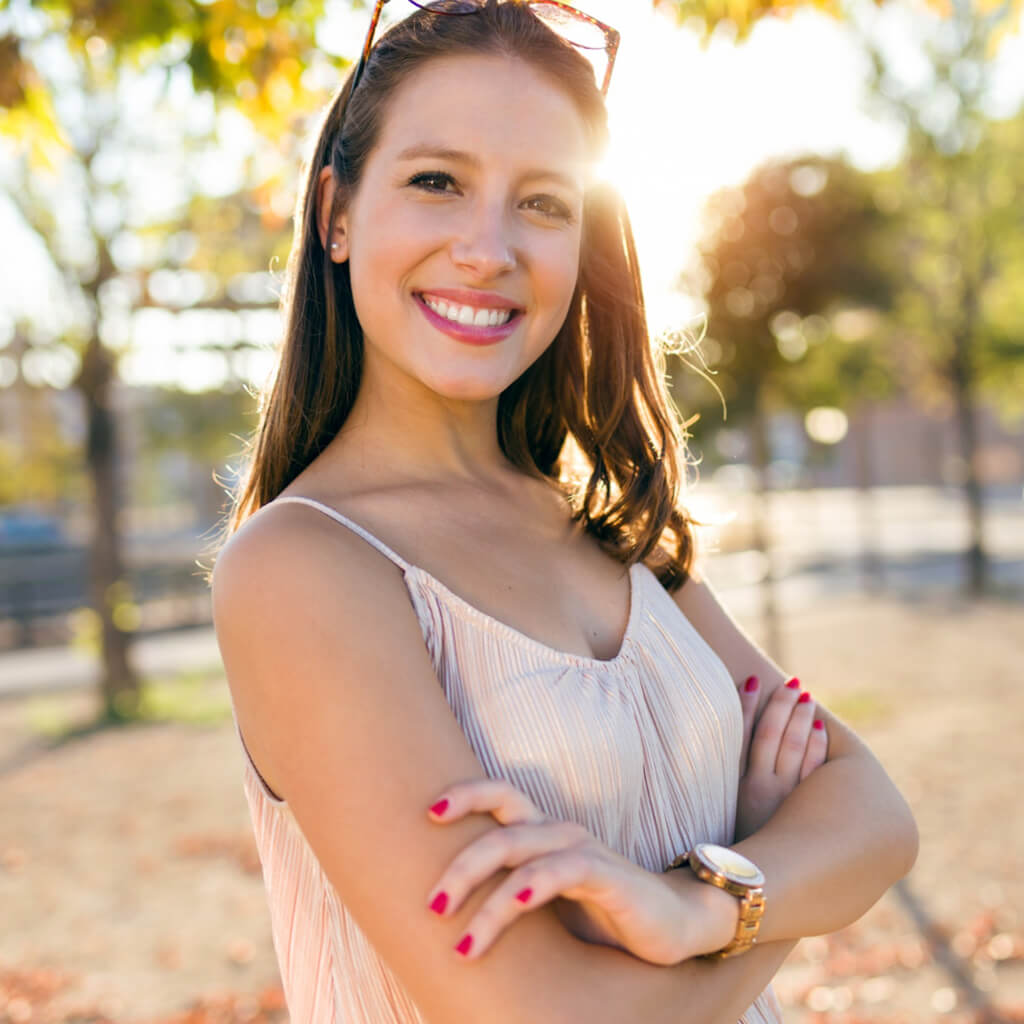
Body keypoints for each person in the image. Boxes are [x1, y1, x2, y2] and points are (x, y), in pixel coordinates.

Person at [208, 2, 919, 1021]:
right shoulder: (304, 569)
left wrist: (692, 907)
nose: (487, 247)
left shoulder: (608, 522)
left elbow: (876, 816)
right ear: (336, 212)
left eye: (543, 201)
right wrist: (767, 883)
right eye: (436, 181)